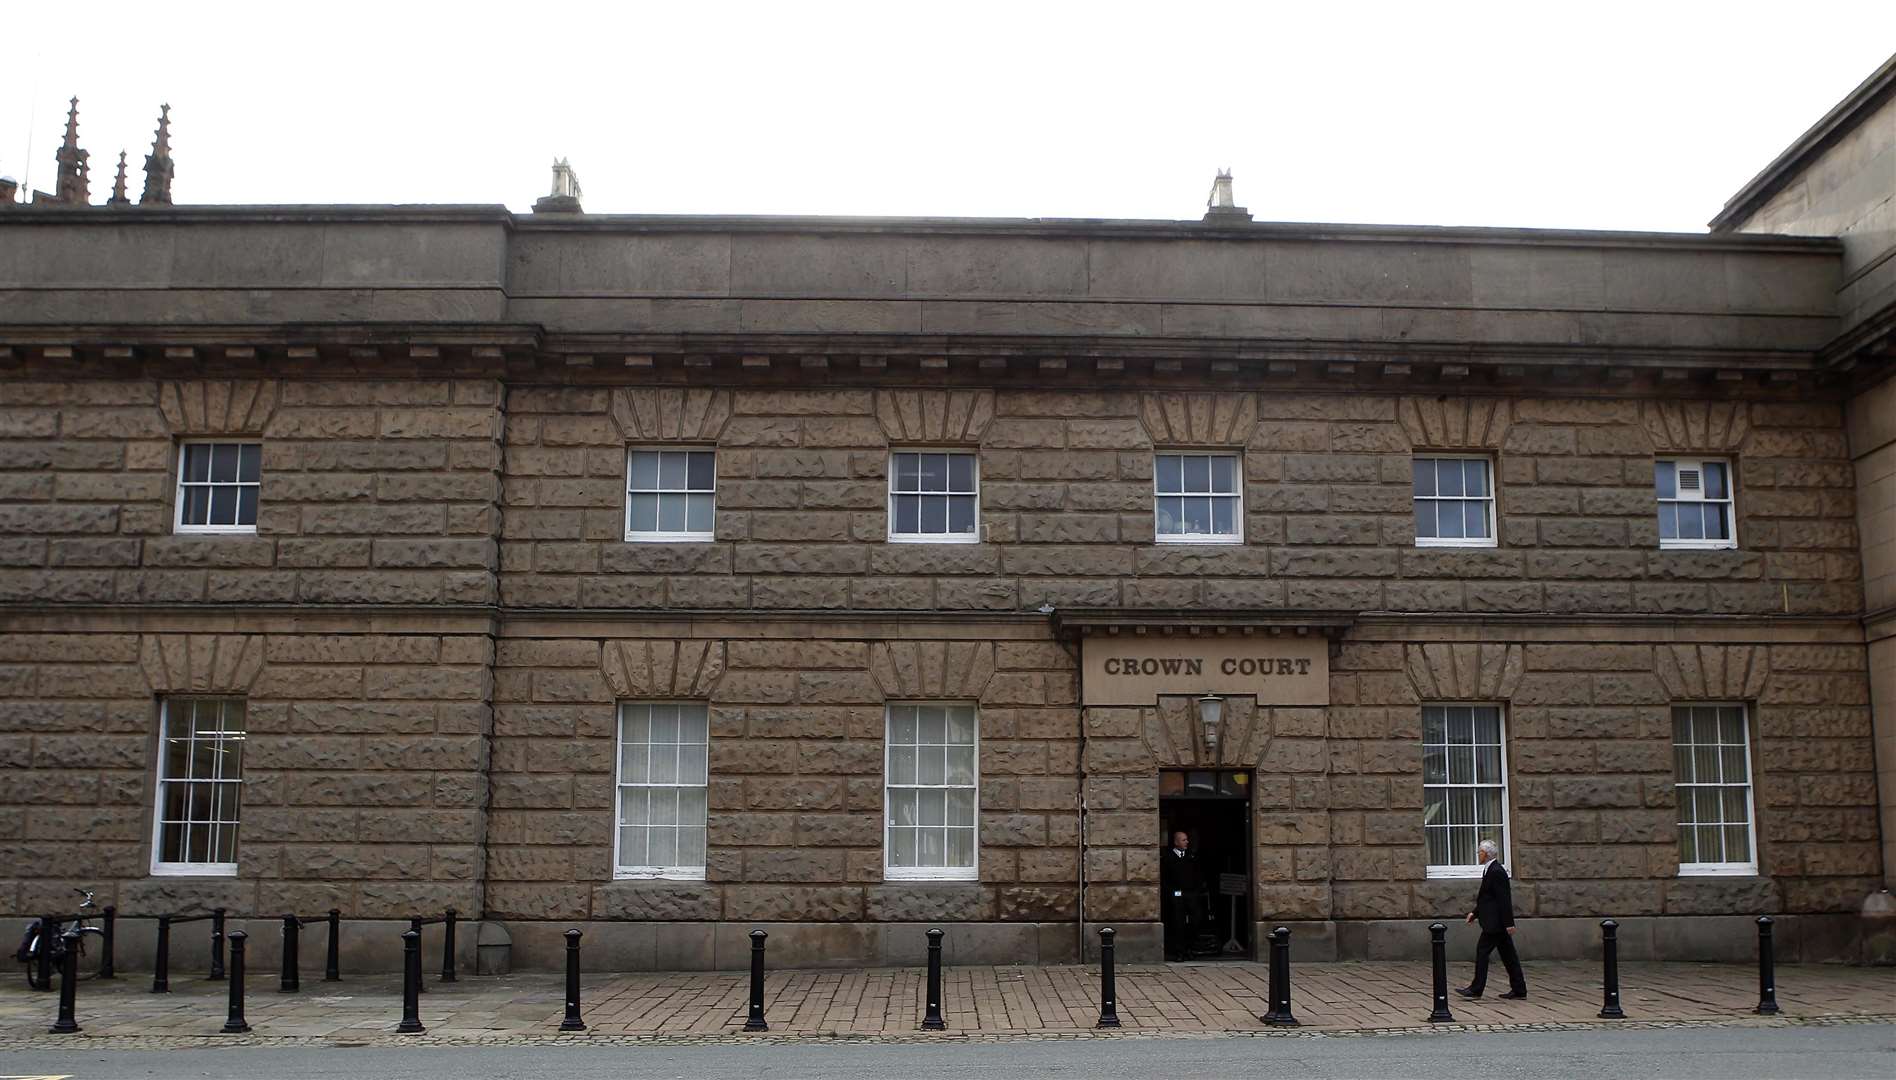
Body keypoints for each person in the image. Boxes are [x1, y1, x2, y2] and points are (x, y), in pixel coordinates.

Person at [1457, 838, 1527, 999]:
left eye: (1480, 852)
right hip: (1495, 922)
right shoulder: (1490, 869)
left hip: (1495, 923)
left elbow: (1503, 899)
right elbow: (1487, 897)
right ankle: (1519, 989)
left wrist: (1509, 923)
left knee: (1482, 952)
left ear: (1486, 854)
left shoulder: (1496, 871)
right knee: (1509, 956)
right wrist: (1475, 913)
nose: (1478, 855)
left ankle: (1476, 988)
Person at [1160, 829, 1205, 961]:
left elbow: (1199, 875)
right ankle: (1179, 951)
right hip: (1177, 893)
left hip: (1191, 893)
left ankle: (1189, 948)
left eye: (1187, 839)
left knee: (1196, 920)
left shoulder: (1192, 856)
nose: (1187, 842)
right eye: (1184, 840)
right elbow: (1164, 878)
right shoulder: (1168, 858)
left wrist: (1196, 890)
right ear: (1176, 842)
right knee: (1177, 923)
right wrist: (1171, 892)